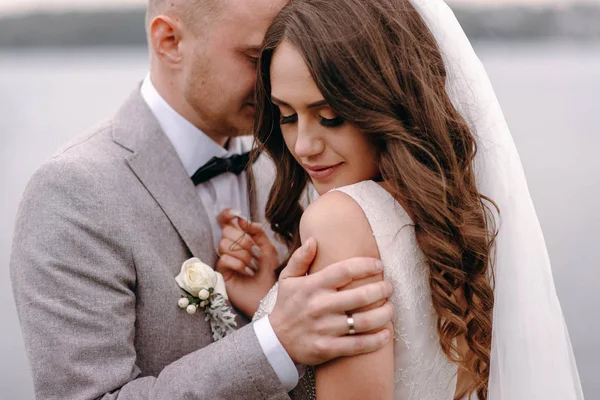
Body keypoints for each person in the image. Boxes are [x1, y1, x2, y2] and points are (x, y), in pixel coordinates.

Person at [9, 0, 396, 399]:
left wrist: (268, 299)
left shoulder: (297, 163)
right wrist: (272, 342)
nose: (273, 80)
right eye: (255, 58)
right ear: (170, 41)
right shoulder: (73, 192)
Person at [217, 0, 585, 398]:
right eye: (287, 116)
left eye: (328, 116)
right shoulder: (452, 219)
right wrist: (269, 301)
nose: (303, 146)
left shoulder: (337, 220)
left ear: (384, 101)